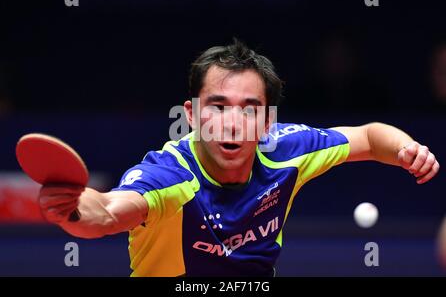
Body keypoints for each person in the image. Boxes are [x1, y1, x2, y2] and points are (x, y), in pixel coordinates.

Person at [38, 40, 440, 276]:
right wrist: (71, 208)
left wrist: (406, 149)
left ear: (267, 122)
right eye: (218, 107)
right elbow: (107, 211)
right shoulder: (170, 175)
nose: (233, 123)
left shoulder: (286, 151)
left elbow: (369, 136)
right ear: (192, 115)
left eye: (249, 109)